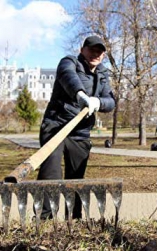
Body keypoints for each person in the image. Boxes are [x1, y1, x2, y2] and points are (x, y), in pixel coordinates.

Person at [37, 35, 115, 219]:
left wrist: (98, 102)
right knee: (50, 174)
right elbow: (67, 76)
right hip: (56, 126)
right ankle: (44, 219)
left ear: (103, 55)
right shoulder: (69, 62)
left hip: (80, 132)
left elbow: (111, 101)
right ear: (82, 50)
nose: (95, 54)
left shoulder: (103, 74)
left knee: (77, 177)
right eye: (91, 50)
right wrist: (80, 94)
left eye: (99, 51)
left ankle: (74, 219)